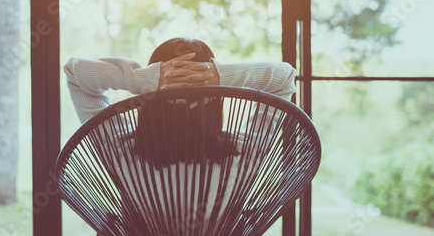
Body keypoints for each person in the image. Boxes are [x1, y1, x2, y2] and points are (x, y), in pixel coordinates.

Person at [63, 37, 297, 235]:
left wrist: (146, 79)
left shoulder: (119, 147)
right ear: (215, 100)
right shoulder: (246, 151)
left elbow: (77, 74)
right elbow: (284, 79)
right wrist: (218, 76)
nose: (185, 102)